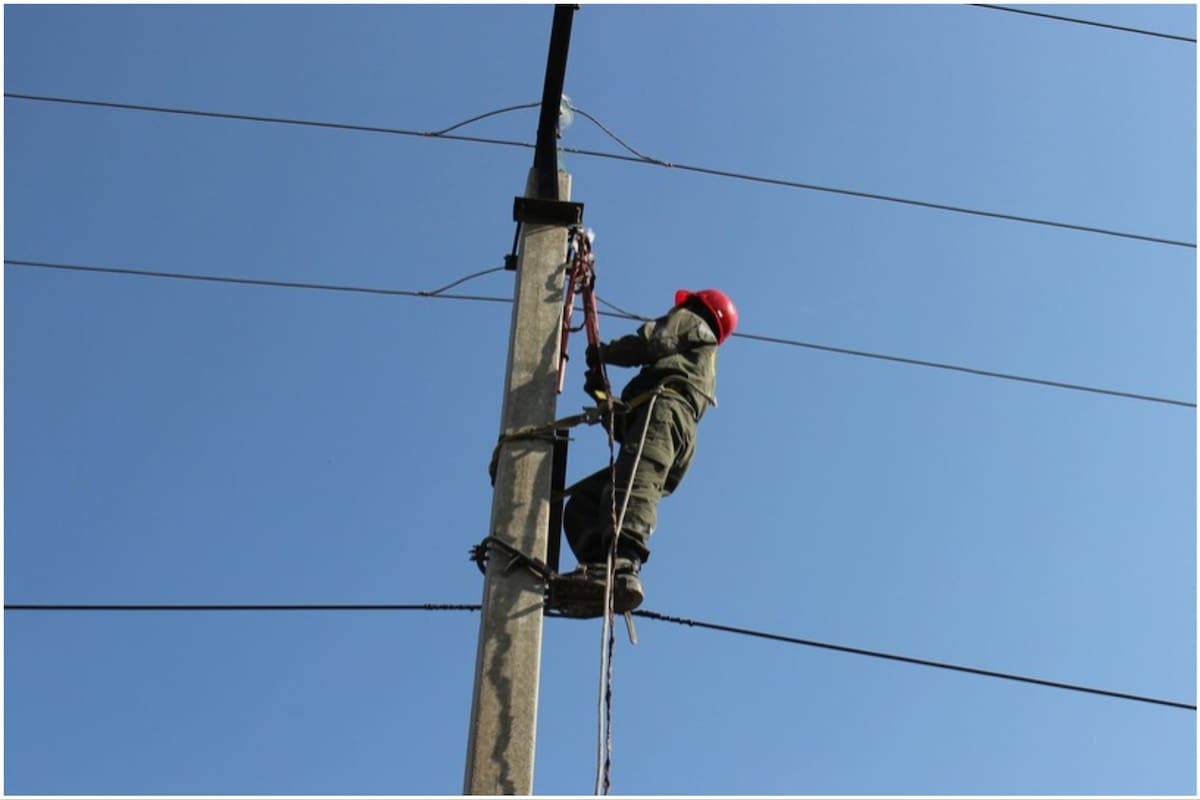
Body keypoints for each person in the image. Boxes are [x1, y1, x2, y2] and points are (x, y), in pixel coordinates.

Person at [557, 287, 738, 614]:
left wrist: (604, 352)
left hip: (666, 414)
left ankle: (624, 565)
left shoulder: (694, 322)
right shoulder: (682, 369)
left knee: (633, 487)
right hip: (669, 427)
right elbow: (625, 428)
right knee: (587, 501)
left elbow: (653, 341)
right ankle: (599, 570)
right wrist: (601, 396)